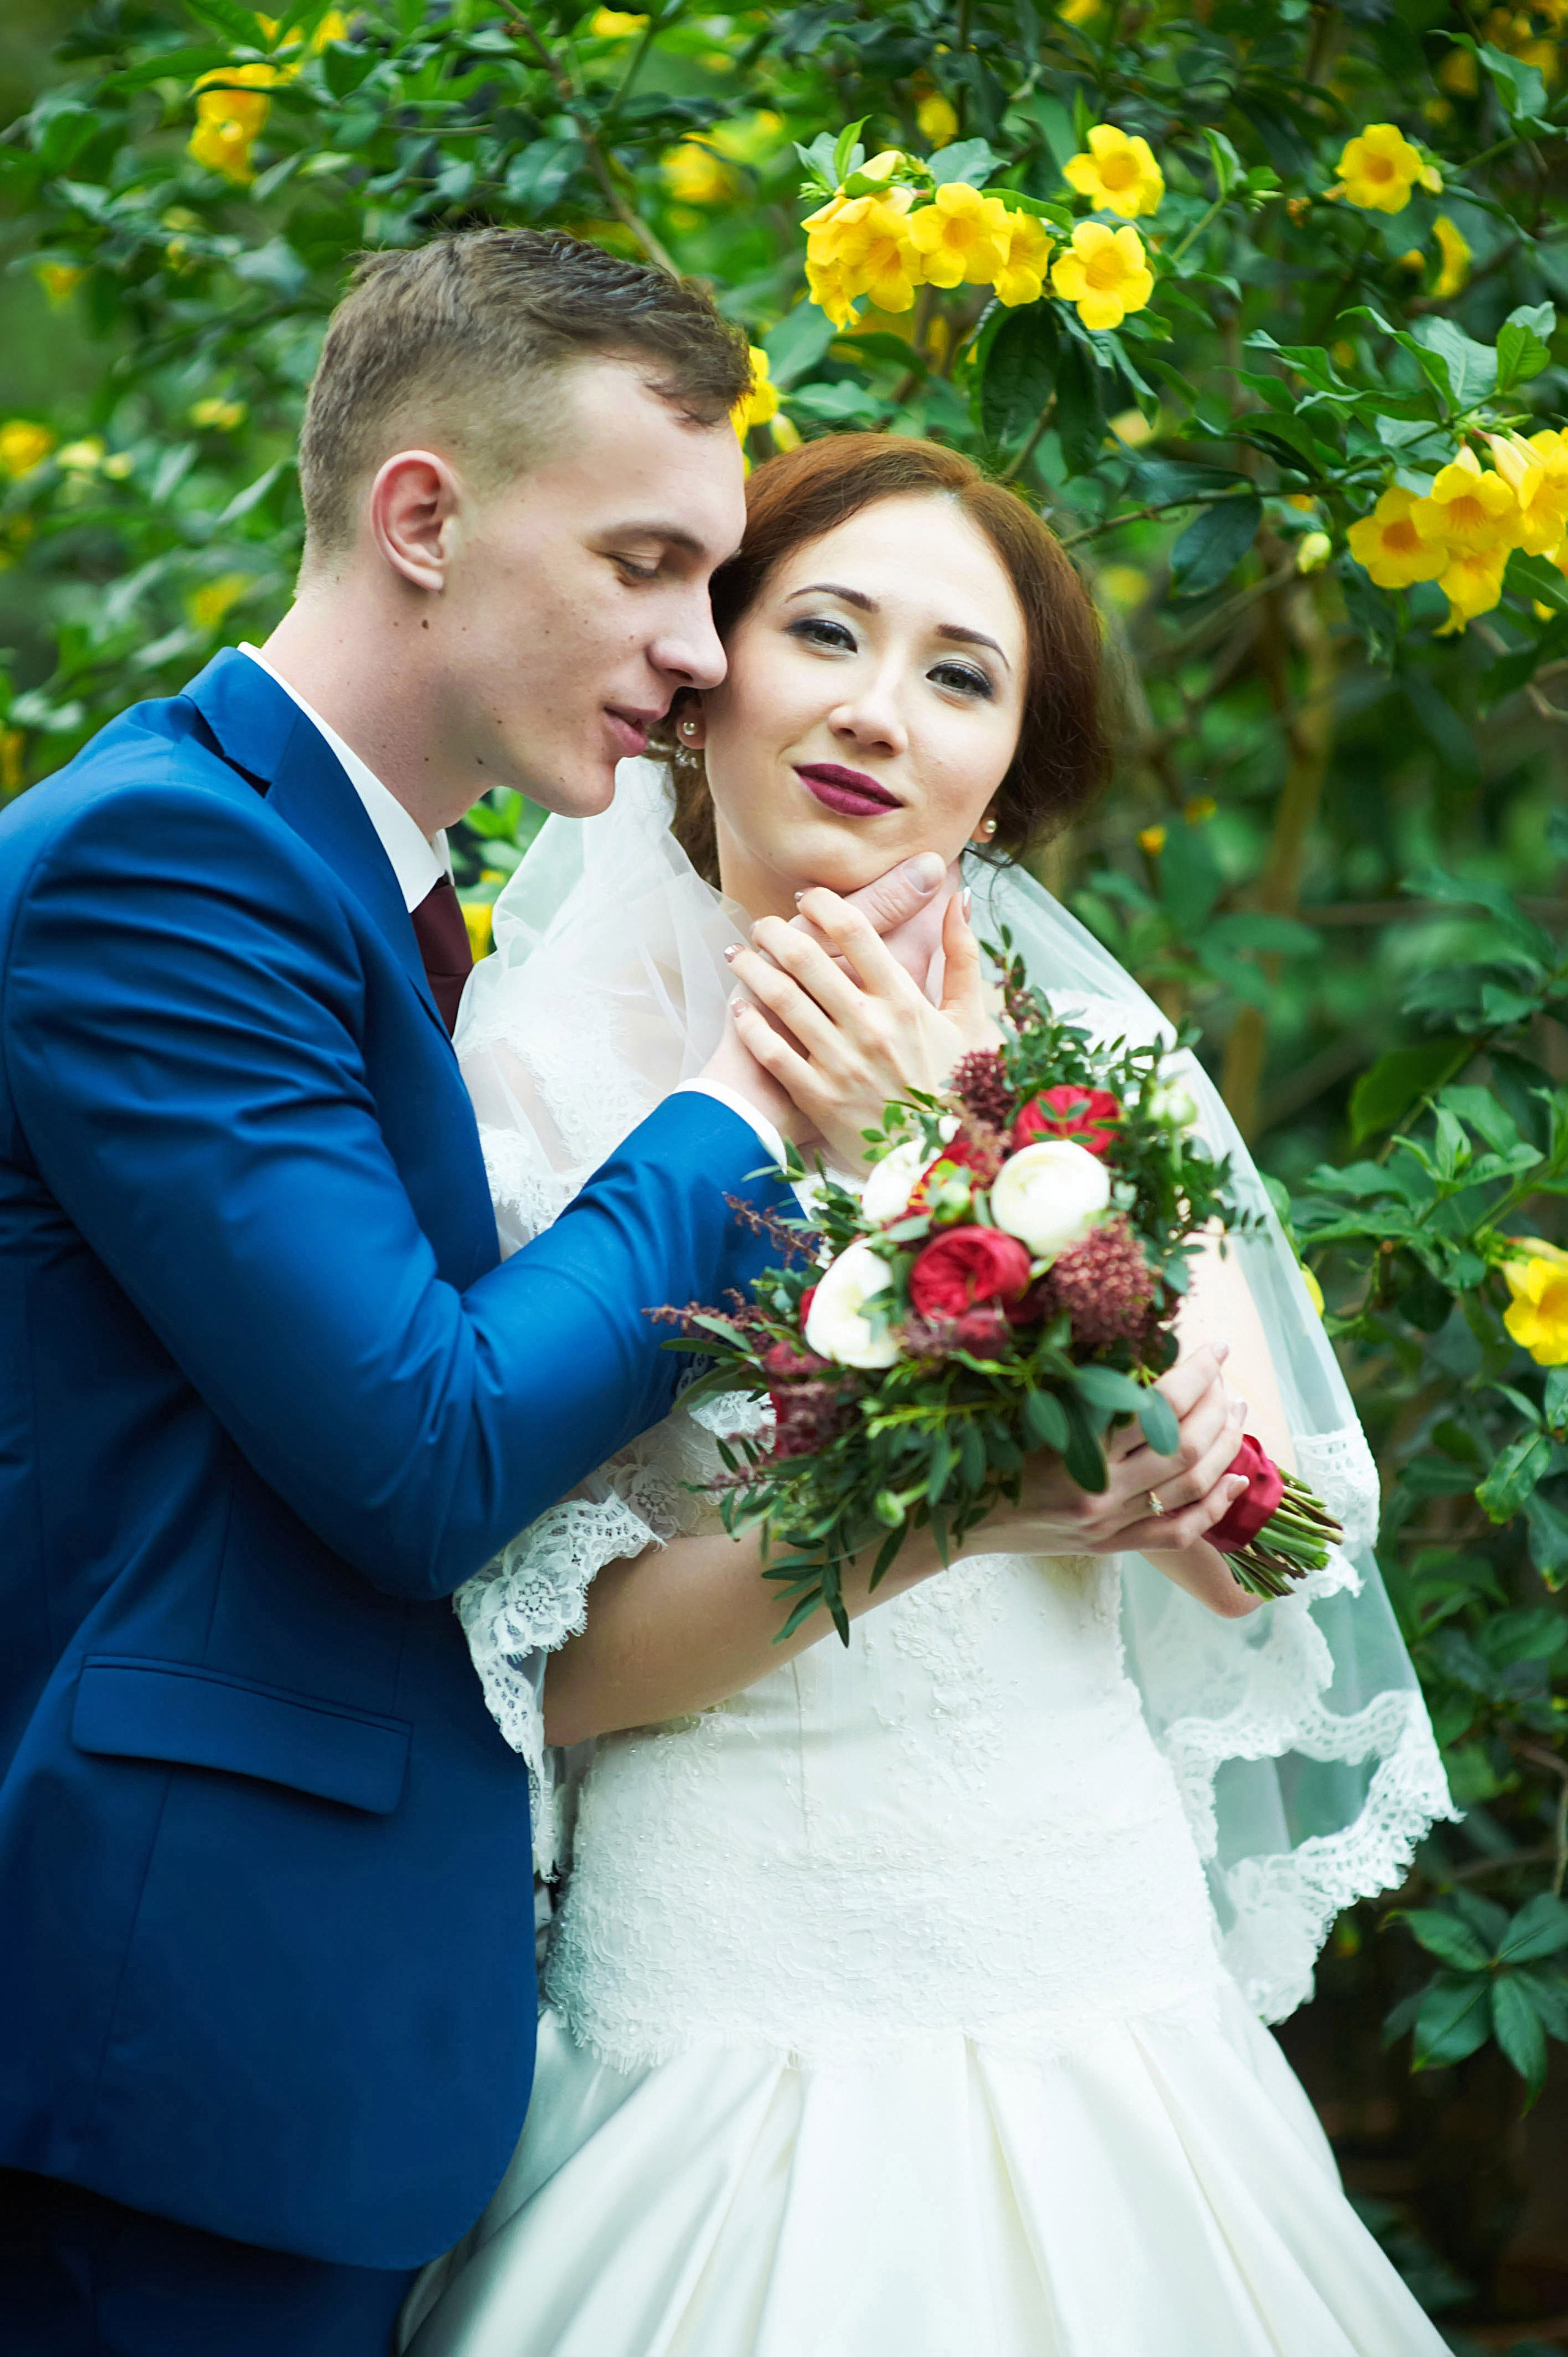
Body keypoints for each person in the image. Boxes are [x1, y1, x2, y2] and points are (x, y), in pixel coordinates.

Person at [0, 234, 977, 2357]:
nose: (703, 656)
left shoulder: (382, 897)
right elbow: (424, 1454)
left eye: (716, 584)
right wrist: (740, 1111)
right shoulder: (160, 866)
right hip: (180, 2065)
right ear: (421, 517)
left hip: (349, 2054)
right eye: (645, 563)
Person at [401, 436, 1456, 2357]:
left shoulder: (1083, 1066)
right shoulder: (523, 1087)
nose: (880, 713)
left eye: (960, 675)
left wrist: (934, 1152)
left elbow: (1270, 1549)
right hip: (726, 1992)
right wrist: (939, 1514)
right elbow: (545, 1670)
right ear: (705, 677)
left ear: (999, 783)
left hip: (1094, 1970)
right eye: (826, 631)